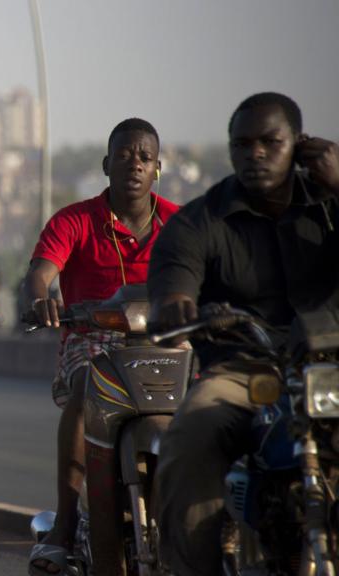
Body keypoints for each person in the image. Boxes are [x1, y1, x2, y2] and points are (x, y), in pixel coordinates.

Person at [150, 93, 339, 575]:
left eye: (270, 142)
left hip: (329, 370)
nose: (255, 153)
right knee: (189, 438)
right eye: (242, 143)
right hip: (246, 372)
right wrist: (176, 306)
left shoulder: (330, 205)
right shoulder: (198, 221)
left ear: (299, 145)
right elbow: (174, 279)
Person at [26, 118, 179, 576]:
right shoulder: (74, 220)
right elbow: (40, 272)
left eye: (145, 157)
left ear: (158, 168)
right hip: (92, 338)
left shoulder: (179, 222)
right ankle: (66, 524)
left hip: (163, 339)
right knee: (87, 391)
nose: (134, 163)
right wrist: (39, 298)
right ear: (106, 164)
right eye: (124, 155)